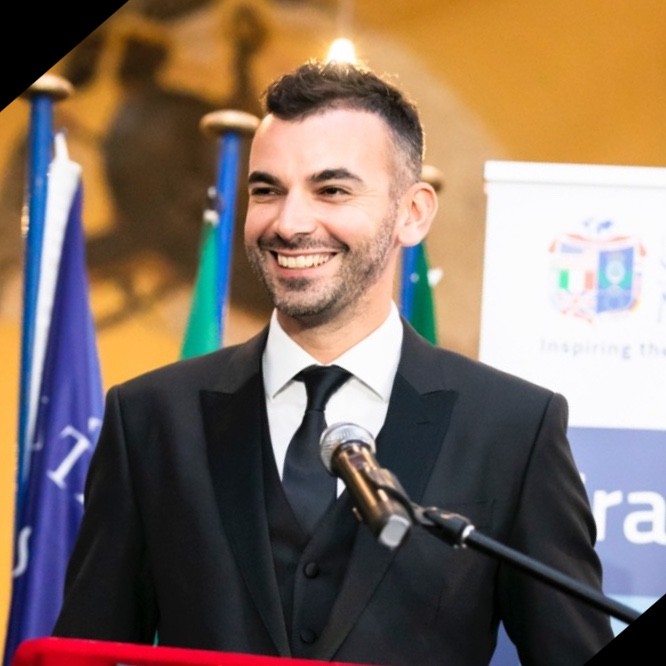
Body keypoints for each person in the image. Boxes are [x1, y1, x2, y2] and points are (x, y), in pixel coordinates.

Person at [53, 59, 615, 665]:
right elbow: (85, 653)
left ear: (413, 213)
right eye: (266, 190)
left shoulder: (513, 429)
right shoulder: (150, 419)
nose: (289, 223)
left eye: (332, 190)